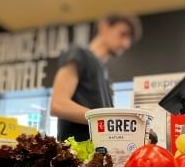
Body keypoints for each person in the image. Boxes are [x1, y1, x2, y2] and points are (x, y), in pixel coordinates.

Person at [50, 13, 142, 142]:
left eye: (129, 40)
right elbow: (58, 105)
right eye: (122, 34)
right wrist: (106, 120)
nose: (126, 44)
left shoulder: (106, 77)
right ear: (104, 27)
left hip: (100, 156)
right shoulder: (79, 54)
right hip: (76, 157)